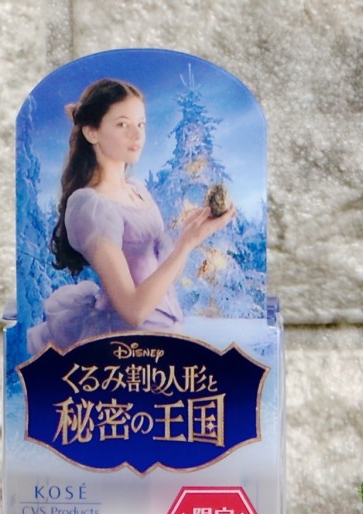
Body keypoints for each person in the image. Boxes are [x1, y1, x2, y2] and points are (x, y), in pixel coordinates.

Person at [27, 78, 235, 354]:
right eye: (123, 125)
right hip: (125, 346)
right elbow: (133, 311)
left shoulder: (138, 191)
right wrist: (185, 244)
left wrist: (191, 234)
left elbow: (157, 272)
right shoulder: (91, 205)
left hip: (165, 333)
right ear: (92, 132)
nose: (137, 136)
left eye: (141, 124)